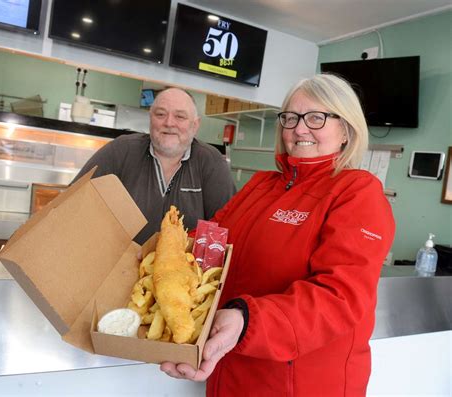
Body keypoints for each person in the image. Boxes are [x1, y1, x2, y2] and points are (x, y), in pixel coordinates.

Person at [160, 74, 396, 396]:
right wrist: (161, 257)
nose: (299, 129)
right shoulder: (262, 184)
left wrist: (245, 319)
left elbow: (339, 298)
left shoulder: (357, 192)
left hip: (299, 384)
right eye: (291, 118)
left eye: (316, 117)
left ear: (346, 130)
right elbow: (209, 240)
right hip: (229, 369)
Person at [73, 87, 236, 244]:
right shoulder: (121, 150)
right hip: (114, 264)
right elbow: (75, 200)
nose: (169, 123)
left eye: (180, 116)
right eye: (160, 114)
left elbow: (225, 227)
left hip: (183, 269)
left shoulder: (211, 162)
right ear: (150, 118)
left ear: (195, 125)